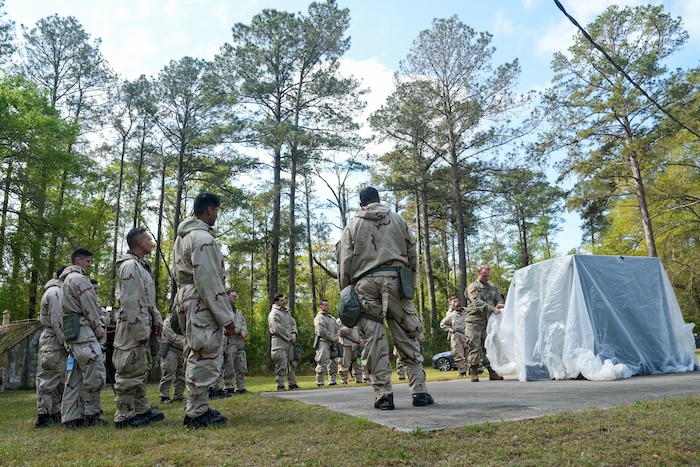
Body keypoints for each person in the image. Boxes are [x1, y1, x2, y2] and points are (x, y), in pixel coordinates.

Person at [336, 187, 433, 410]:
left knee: (374, 340)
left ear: (361, 204)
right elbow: (412, 253)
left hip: (366, 286)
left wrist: (347, 290)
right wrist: (410, 282)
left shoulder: (352, 226)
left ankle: (383, 395)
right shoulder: (398, 220)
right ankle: (419, 391)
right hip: (397, 280)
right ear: (378, 199)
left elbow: (344, 262)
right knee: (407, 335)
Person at [173, 193, 237, 429]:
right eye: (216, 211)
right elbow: (209, 281)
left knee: (194, 352)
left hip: (187, 296)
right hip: (201, 299)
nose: (217, 216)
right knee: (205, 353)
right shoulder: (203, 238)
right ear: (210, 210)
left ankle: (197, 407)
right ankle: (197, 414)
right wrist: (226, 318)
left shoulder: (183, 238)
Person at [113, 227, 165, 428]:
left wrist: (156, 320)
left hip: (141, 325)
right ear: (140, 243)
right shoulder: (130, 267)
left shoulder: (141, 267)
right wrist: (141, 332)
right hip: (132, 328)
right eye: (148, 239)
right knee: (128, 369)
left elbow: (147, 301)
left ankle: (141, 409)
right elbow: (131, 302)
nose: (151, 242)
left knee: (139, 369)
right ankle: (124, 415)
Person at [60, 247, 108, 428]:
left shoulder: (64, 282)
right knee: (94, 374)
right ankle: (91, 415)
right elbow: (90, 307)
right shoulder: (80, 279)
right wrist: (99, 330)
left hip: (73, 334)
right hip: (84, 333)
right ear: (77, 261)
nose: (89, 265)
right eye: (87, 261)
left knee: (74, 378)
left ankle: (71, 417)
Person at [35, 266, 68, 428]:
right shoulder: (55, 293)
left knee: (59, 378)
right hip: (53, 339)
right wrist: (65, 341)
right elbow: (57, 320)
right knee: (49, 378)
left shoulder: (60, 292)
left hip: (57, 339)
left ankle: (54, 412)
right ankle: (43, 414)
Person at [464, 265, 505, 382]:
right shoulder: (473, 287)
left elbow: (498, 298)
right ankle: (473, 372)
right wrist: (493, 309)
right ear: (478, 274)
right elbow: (477, 302)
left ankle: (492, 372)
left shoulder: (492, 288)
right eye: (484, 275)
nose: (487, 278)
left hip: (488, 321)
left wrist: (499, 304)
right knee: (474, 346)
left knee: (488, 347)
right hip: (474, 321)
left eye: (488, 276)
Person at [268, 293, 299, 391]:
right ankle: (280, 385)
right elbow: (276, 328)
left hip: (289, 343)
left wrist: (294, 333)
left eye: (284, 300)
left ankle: (292, 383)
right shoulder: (274, 313)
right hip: (279, 341)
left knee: (291, 363)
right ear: (276, 302)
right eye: (281, 300)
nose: (284, 302)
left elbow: (293, 323)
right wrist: (288, 336)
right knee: (281, 364)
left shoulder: (287, 313)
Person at [222, 290, 248, 395]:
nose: (235, 298)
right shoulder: (224, 311)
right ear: (227, 297)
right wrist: (239, 331)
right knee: (229, 364)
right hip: (230, 341)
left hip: (239, 343)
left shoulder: (238, 312)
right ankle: (228, 386)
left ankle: (241, 387)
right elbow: (226, 326)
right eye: (233, 296)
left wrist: (244, 332)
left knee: (241, 365)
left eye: (236, 296)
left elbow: (243, 323)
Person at [158, 312, 186, 404]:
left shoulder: (184, 320)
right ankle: (164, 396)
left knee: (181, 374)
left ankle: (179, 395)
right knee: (168, 372)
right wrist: (187, 343)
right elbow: (172, 337)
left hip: (181, 351)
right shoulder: (167, 322)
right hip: (170, 349)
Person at [439, 295, 469, 377]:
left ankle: (472, 370)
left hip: (466, 333)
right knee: (458, 353)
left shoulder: (466, 311)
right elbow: (443, 324)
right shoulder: (451, 314)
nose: (457, 303)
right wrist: (449, 329)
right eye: (454, 302)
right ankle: (462, 371)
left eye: (457, 301)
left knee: (469, 353)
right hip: (456, 334)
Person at [313, 299, 339, 387]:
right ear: (321, 306)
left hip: (333, 343)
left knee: (334, 362)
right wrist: (332, 338)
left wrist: (336, 338)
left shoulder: (332, 318)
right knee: (322, 361)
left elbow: (337, 329)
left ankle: (332, 381)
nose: (327, 307)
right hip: (323, 342)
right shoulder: (319, 318)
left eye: (328, 305)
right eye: (325, 305)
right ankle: (319, 382)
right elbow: (321, 331)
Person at [337, 317, 366, 384]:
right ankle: (344, 380)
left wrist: (362, 341)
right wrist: (350, 327)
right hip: (346, 345)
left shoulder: (357, 320)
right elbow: (340, 332)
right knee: (344, 362)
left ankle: (359, 379)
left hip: (357, 346)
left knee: (358, 363)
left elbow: (362, 332)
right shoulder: (340, 320)